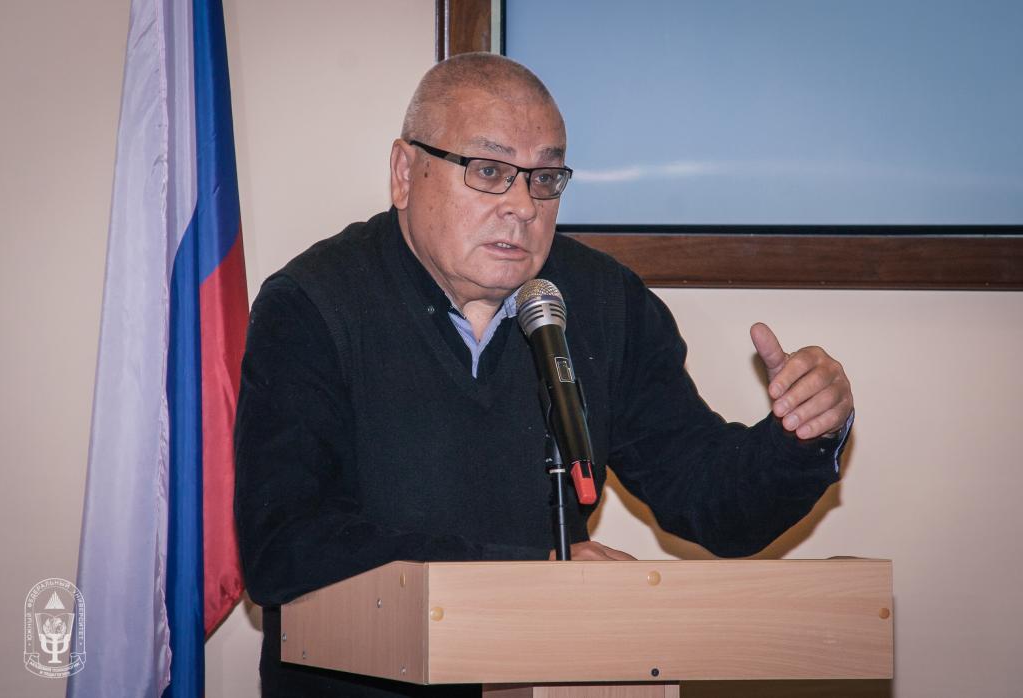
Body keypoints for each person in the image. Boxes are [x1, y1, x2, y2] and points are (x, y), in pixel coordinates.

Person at [234, 53, 853, 697]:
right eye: (489, 170)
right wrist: (532, 574)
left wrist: (802, 436)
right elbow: (286, 546)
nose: (523, 206)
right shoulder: (312, 306)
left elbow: (710, 499)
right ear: (404, 173)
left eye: (546, 178)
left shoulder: (603, 303)